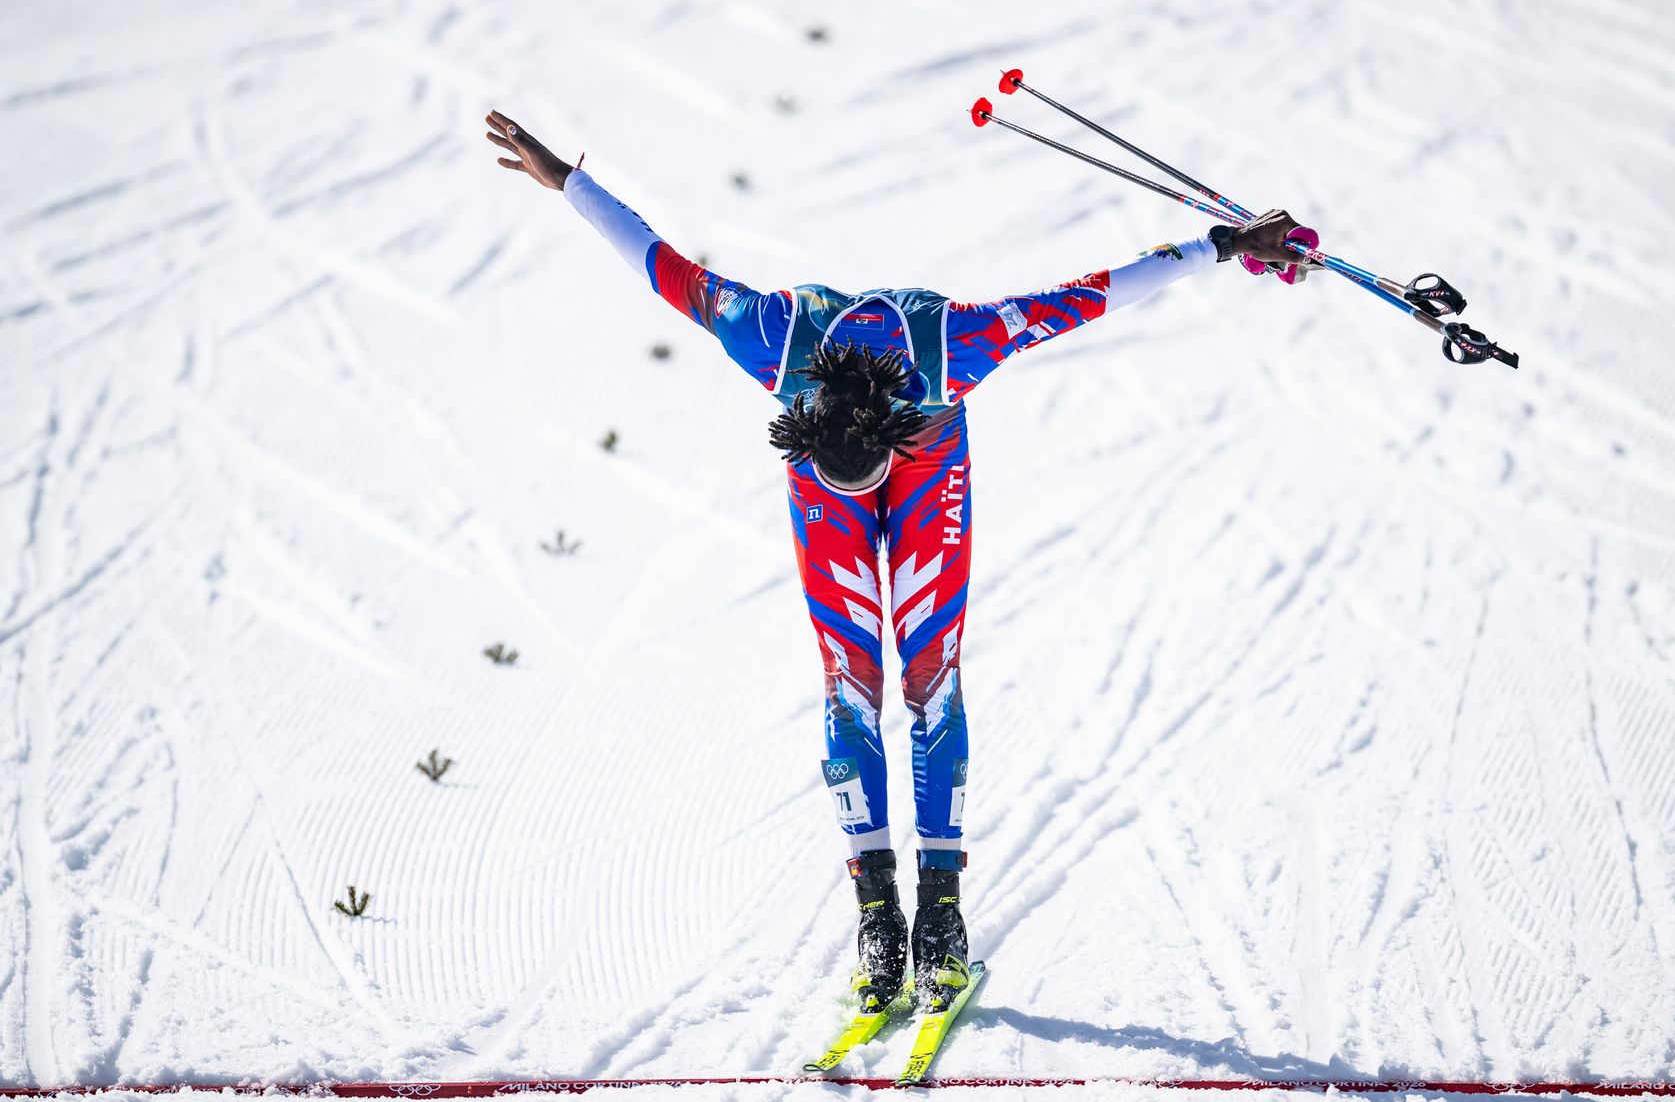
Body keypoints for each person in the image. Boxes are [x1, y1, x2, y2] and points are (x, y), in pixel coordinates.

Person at [483, 110, 1305, 1015]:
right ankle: (879, 916)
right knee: (849, 685)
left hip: (927, 473)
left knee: (930, 682)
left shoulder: (950, 345)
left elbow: (1098, 293)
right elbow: (654, 261)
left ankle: (940, 918)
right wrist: (565, 180)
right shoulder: (769, 336)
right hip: (821, 482)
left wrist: (1224, 245)